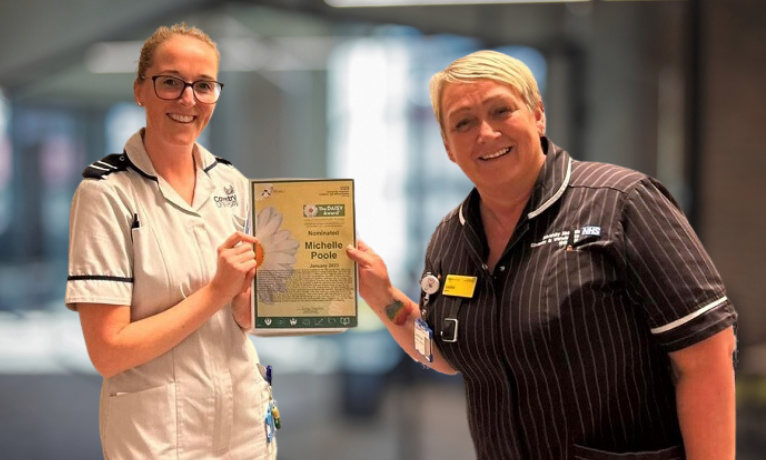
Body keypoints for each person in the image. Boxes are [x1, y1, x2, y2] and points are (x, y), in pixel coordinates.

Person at [347, 50, 737, 460]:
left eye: (501, 111)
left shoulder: (622, 203)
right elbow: (444, 356)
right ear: (447, 145)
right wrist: (383, 296)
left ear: (537, 115)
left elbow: (707, 357)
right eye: (463, 122)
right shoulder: (450, 239)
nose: (485, 132)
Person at [65, 24, 276, 459]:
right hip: (158, 435)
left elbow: (245, 317)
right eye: (170, 82)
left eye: (203, 86)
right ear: (140, 89)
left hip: (243, 427)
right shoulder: (106, 194)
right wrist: (217, 291)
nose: (188, 100)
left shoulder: (233, 183)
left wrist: (246, 304)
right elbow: (108, 351)